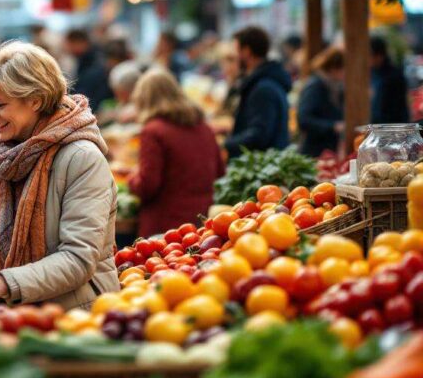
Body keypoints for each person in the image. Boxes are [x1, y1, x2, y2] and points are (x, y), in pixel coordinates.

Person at [0, 41, 120, 312]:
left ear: (35, 100)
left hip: (73, 315)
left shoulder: (82, 159)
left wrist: (1, 285)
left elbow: (77, 258)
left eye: (0, 104)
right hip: (11, 311)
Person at [127, 69, 224, 237]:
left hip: (166, 226)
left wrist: (132, 179)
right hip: (201, 222)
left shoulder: (153, 131)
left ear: (144, 99)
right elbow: (220, 172)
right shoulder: (204, 127)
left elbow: (148, 184)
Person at [224, 26, 292, 159]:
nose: (234, 58)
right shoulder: (263, 82)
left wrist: (225, 144)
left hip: (260, 166)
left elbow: (258, 135)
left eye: (236, 51)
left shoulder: (263, 88)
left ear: (246, 51)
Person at [298, 48, 345, 157]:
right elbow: (304, 120)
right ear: (334, 68)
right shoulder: (315, 86)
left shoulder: (335, 87)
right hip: (313, 153)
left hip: (326, 151)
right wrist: (333, 127)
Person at [65, 29, 112, 110]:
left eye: (70, 44)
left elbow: (87, 91)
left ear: (79, 42)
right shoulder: (85, 59)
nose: (68, 48)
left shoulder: (94, 64)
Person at [370, 36, 410, 124]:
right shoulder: (371, 73)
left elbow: (400, 107)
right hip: (375, 126)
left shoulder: (394, 75)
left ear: (379, 56)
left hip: (391, 126)